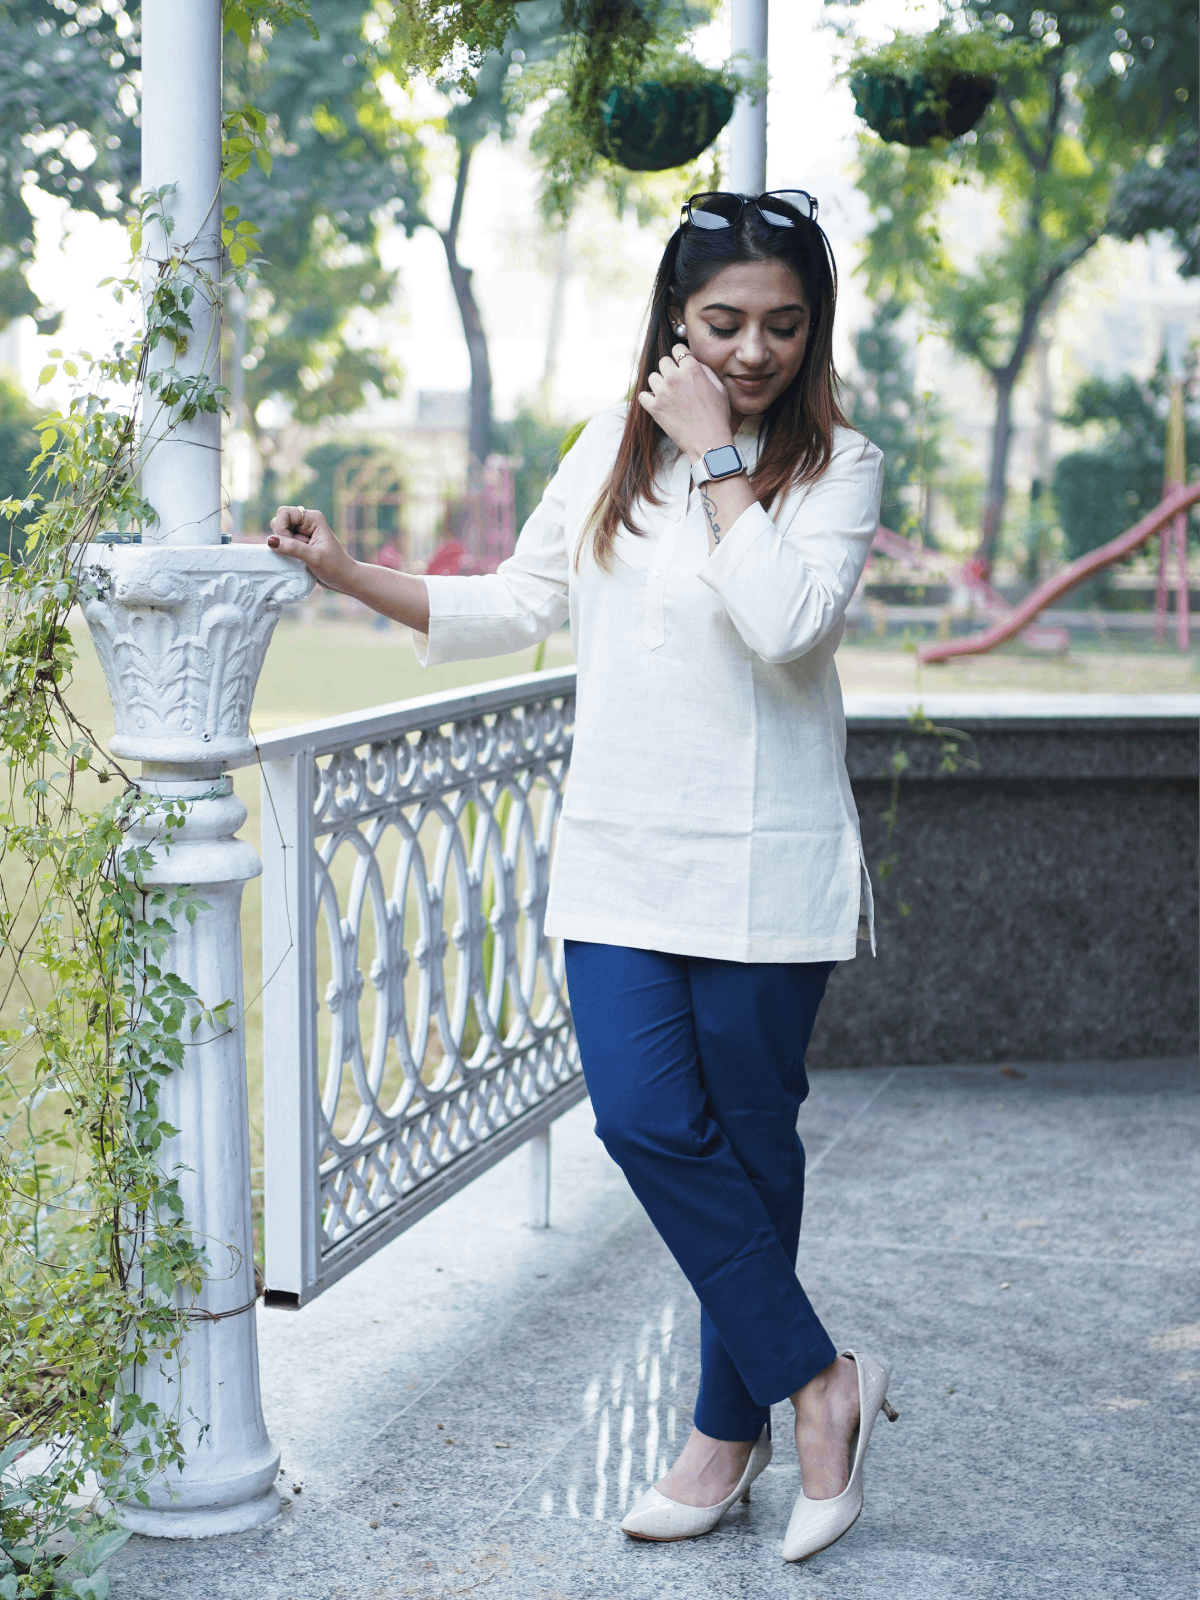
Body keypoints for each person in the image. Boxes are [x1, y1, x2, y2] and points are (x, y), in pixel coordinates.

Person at [267, 188, 898, 1564]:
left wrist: (722, 454)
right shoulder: (611, 451)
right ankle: (822, 1383)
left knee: (749, 1143)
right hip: (619, 854)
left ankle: (722, 1441)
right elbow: (513, 600)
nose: (752, 349)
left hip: (762, 863)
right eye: (724, 321)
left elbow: (787, 627)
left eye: (783, 325)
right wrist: (348, 572)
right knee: (644, 1123)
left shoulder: (839, 464)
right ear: (675, 315)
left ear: (815, 329)